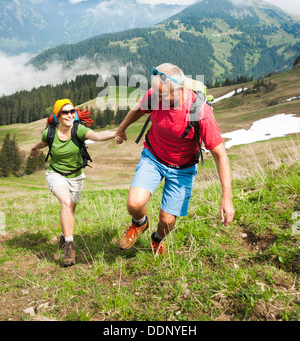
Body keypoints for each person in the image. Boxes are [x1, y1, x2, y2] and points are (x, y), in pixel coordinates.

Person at [115, 64, 234, 256]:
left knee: (167, 220)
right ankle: (139, 224)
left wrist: (226, 198)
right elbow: (138, 109)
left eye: (163, 96)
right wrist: (121, 129)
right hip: (153, 157)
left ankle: (157, 239)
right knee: (134, 204)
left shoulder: (200, 112)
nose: (157, 99)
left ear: (180, 90)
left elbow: (220, 155)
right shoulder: (156, 94)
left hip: (183, 168)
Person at [30, 99, 117, 267]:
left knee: (71, 209)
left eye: (72, 111)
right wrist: (34, 149)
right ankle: (69, 248)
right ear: (57, 116)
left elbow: (98, 136)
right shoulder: (50, 132)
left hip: (76, 177)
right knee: (66, 202)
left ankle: (64, 235)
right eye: (65, 112)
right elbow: (42, 143)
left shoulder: (79, 129)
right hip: (56, 174)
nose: (70, 115)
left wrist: (117, 132)